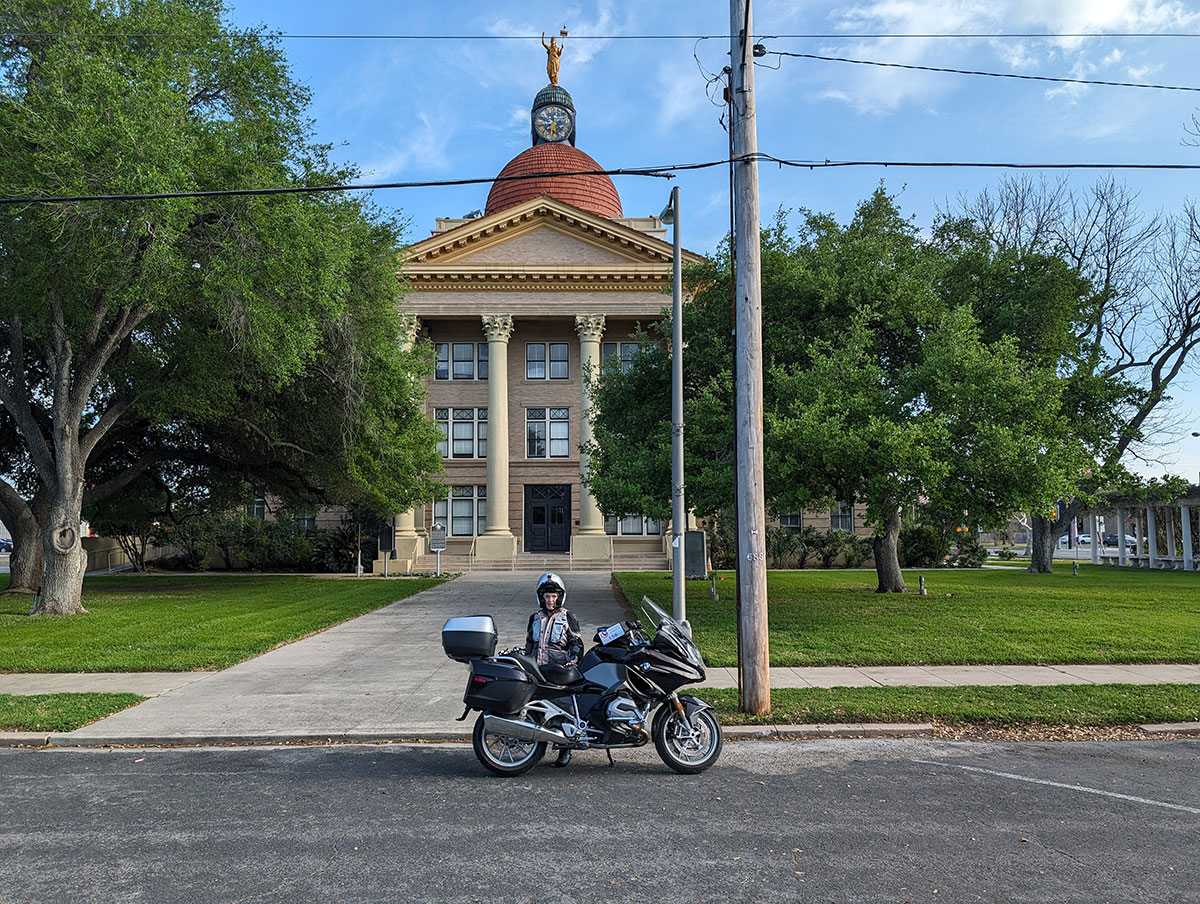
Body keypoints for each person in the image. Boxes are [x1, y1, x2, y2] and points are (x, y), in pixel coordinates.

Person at [524, 571, 583, 766]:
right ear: (541, 597)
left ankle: (565, 750)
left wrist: (573, 661)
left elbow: (577, 644)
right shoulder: (534, 617)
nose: (550, 600)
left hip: (558, 672)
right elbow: (529, 645)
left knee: (563, 711)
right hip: (538, 670)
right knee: (537, 708)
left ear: (560, 597)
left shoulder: (568, 617)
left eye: (553, 596)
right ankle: (534, 749)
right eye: (547, 596)